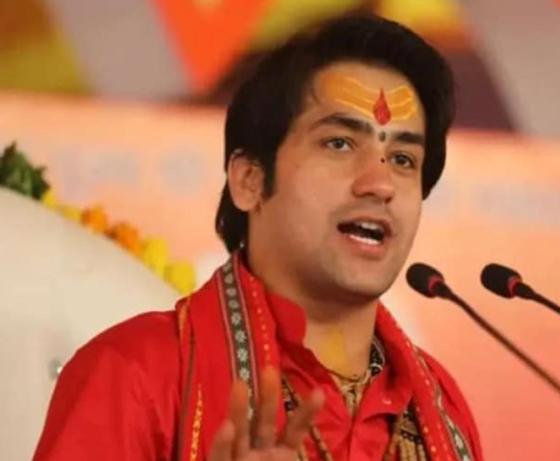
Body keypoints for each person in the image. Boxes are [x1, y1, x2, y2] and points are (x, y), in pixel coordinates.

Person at [33, 14, 482, 461]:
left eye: (403, 159)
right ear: (249, 180)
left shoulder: (443, 410)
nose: (380, 184)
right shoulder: (136, 372)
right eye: (340, 144)